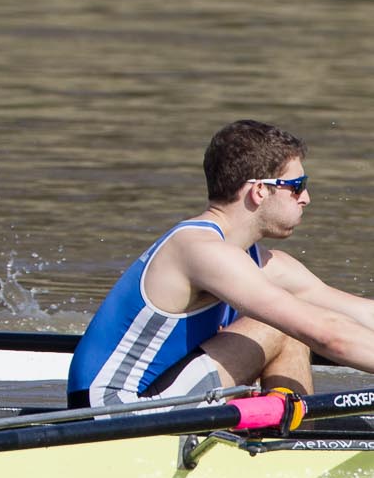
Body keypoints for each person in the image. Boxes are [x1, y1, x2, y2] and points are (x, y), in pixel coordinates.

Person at [67, 119, 374, 408]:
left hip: (158, 397)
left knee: (291, 323)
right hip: (111, 411)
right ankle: (290, 448)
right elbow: (329, 335)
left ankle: (293, 442)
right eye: (297, 186)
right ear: (259, 190)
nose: (306, 198)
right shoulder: (201, 250)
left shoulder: (260, 261)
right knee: (285, 325)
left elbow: (355, 314)